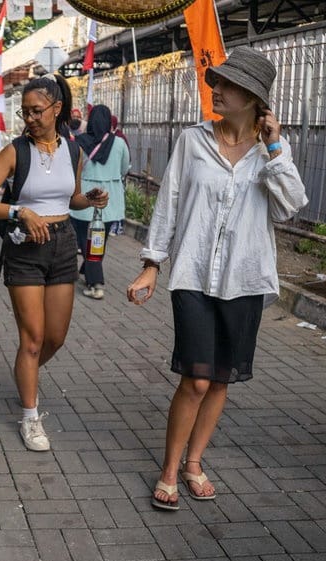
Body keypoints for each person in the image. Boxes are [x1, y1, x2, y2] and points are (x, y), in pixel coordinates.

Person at [127, 47, 307, 511]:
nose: (216, 89)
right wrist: (152, 262)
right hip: (192, 274)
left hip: (244, 279)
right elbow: (168, 201)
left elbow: (290, 205)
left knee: (220, 379)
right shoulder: (193, 140)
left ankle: (194, 463)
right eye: (217, 82)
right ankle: (170, 468)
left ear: (252, 97)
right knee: (197, 379)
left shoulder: (272, 151)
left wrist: (273, 148)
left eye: (227, 85)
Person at [0, 74, 107, 452]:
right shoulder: (15, 151)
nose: (28, 118)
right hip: (25, 248)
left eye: (36, 111)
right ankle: (30, 416)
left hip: (63, 244)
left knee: (55, 338)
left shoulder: (74, 151)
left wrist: (89, 198)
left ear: (56, 109)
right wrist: (19, 211)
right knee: (31, 340)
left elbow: (70, 199)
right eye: (24, 111)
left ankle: (24, 375)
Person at [69, 104, 130, 300]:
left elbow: (73, 169)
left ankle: (96, 283)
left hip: (84, 197)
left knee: (85, 240)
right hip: (110, 198)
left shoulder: (79, 142)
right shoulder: (119, 143)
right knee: (99, 240)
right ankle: (90, 272)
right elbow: (124, 169)